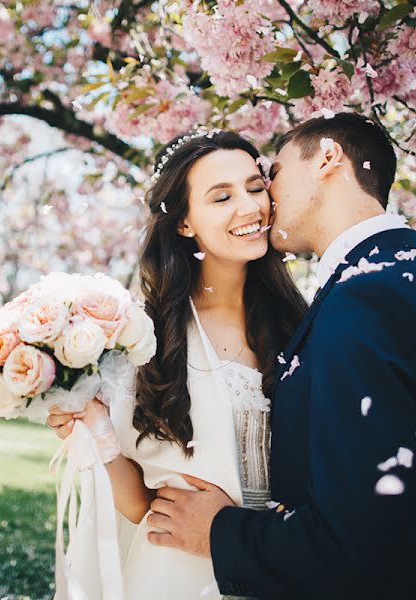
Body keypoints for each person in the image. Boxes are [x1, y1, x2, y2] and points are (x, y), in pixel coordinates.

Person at [147, 113, 416, 600]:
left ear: (327, 157)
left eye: (275, 174)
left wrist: (221, 533)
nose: (267, 197)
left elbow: (356, 544)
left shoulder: (368, 300)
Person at [46, 129, 307, 599]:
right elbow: (140, 503)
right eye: (221, 197)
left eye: (254, 187)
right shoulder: (147, 336)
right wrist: (98, 431)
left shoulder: (299, 323)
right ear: (184, 222)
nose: (249, 208)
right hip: (175, 573)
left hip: (279, 566)